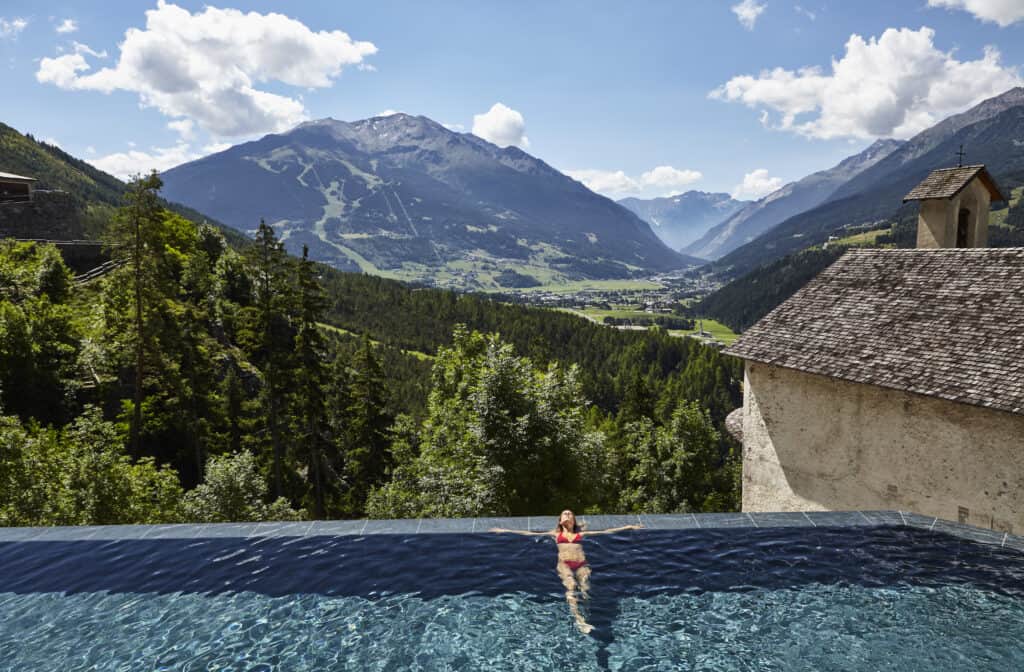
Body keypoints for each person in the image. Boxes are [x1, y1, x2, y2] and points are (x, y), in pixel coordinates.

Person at [491, 509, 642, 633]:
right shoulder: (556, 534)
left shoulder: (580, 534)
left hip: (582, 564)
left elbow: (606, 532)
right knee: (571, 588)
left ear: (574, 521)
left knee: (585, 588)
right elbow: (529, 534)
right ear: (560, 520)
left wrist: (628, 527)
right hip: (564, 565)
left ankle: (589, 613)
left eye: (570, 514)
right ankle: (579, 619)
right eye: (565, 514)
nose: (568, 515)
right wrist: (504, 530)